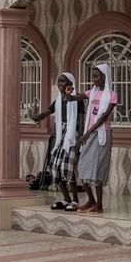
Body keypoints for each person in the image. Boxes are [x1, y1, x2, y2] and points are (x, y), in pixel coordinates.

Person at [31, 72, 85, 212]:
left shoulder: (77, 99)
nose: (60, 84)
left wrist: (81, 137)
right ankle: (66, 199)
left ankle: (74, 200)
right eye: (59, 81)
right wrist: (38, 117)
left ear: (70, 83)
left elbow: (81, 119)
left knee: (68, 169)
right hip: (60, 136)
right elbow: (48, 111)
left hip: (72, 136)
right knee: (55, 167)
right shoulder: (58, 101)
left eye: (63, 81)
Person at [71, 64, 116, 214]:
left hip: (101, 134)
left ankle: (100, 205)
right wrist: (67, 93)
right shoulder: (92, 92)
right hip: (89, 134)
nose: (93, 79)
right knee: (82, 167)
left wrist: (87, 134)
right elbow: (76, 97)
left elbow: (103, 117)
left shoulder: (112, 95)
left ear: (104, 77)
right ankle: (91, 200)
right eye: (93, 76)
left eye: (96, 76)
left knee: (97, 169)